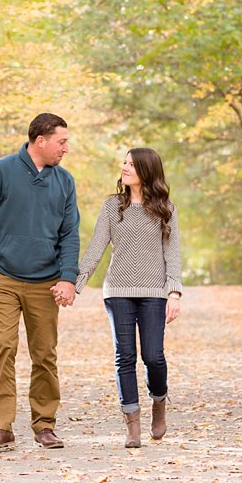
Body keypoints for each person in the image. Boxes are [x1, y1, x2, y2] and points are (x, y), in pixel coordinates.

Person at [0, 112, 80, 451]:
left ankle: (45, 425)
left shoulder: (65, 181)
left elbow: (70, 234)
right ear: (40, 140)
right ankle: (1, 427)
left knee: (45, 354)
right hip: (2, 276)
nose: (66, 148)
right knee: (4, 347)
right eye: (62, 141)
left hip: (46, 282)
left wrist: (68, 278)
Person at [76, 147, 183, 448]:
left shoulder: (166, 210)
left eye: (132, 164)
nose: (124, 167)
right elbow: (96, 248)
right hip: (118, 292)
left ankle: (158, 403)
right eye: (124, 162)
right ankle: (132, 424)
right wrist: (77, 284)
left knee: (153, 356)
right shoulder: (112, 206)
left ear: (147, 171)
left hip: (154, 293)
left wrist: (174, 292)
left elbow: (172, 255)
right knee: (124, 357)